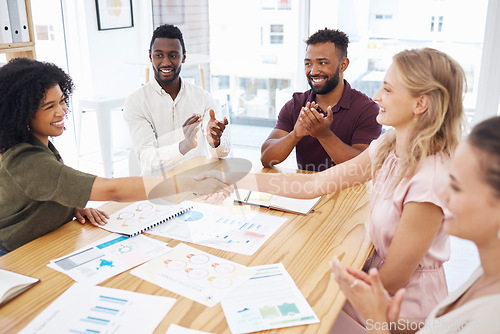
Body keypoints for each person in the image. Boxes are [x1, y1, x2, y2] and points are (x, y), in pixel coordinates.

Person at [200, 48, 465, 326]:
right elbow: (313, 185)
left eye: (387, 89)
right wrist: (236, 181)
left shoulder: (430, 179)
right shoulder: (388, 147)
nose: (377, 96)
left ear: (420, 103)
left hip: (401, 308)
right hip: (372, 287)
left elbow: (393, 279)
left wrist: (320, 276)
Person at [0, 58, 229, 254]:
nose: (61, 111)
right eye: (49, 106)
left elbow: (46, 190)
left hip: (46, 242)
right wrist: (188, 184)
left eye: (62, 101)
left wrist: (68, 205)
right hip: (15, 256)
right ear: (22, 112)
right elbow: (112, 190)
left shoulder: (38, 144)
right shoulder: (26, 159)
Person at [330, 116, 500, 334]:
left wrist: (377, 320)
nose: (443, 194)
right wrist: (389, 321)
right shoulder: (486, 273)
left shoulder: (491, 316)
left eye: (457, 187)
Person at [260, 28, 381, 172]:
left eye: (322, 63)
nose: (313, 71)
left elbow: (362, 167)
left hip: (349, 192)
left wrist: (324, 135)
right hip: (306, 190)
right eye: (308, 64)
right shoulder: (295, 105)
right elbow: (266, 158)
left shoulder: (367, 110)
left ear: (343, 65)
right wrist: (295, 134)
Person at [124, 24, 230, 176]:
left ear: (183, 57)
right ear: (150, 56)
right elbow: (147, 159)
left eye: (173, 55)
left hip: (198, 185)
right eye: (159, 55)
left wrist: (215, 141)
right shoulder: (136, 102)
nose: (166, 62)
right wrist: (184, 146)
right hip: (158, 190)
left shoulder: (203, 98)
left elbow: (222, 153)